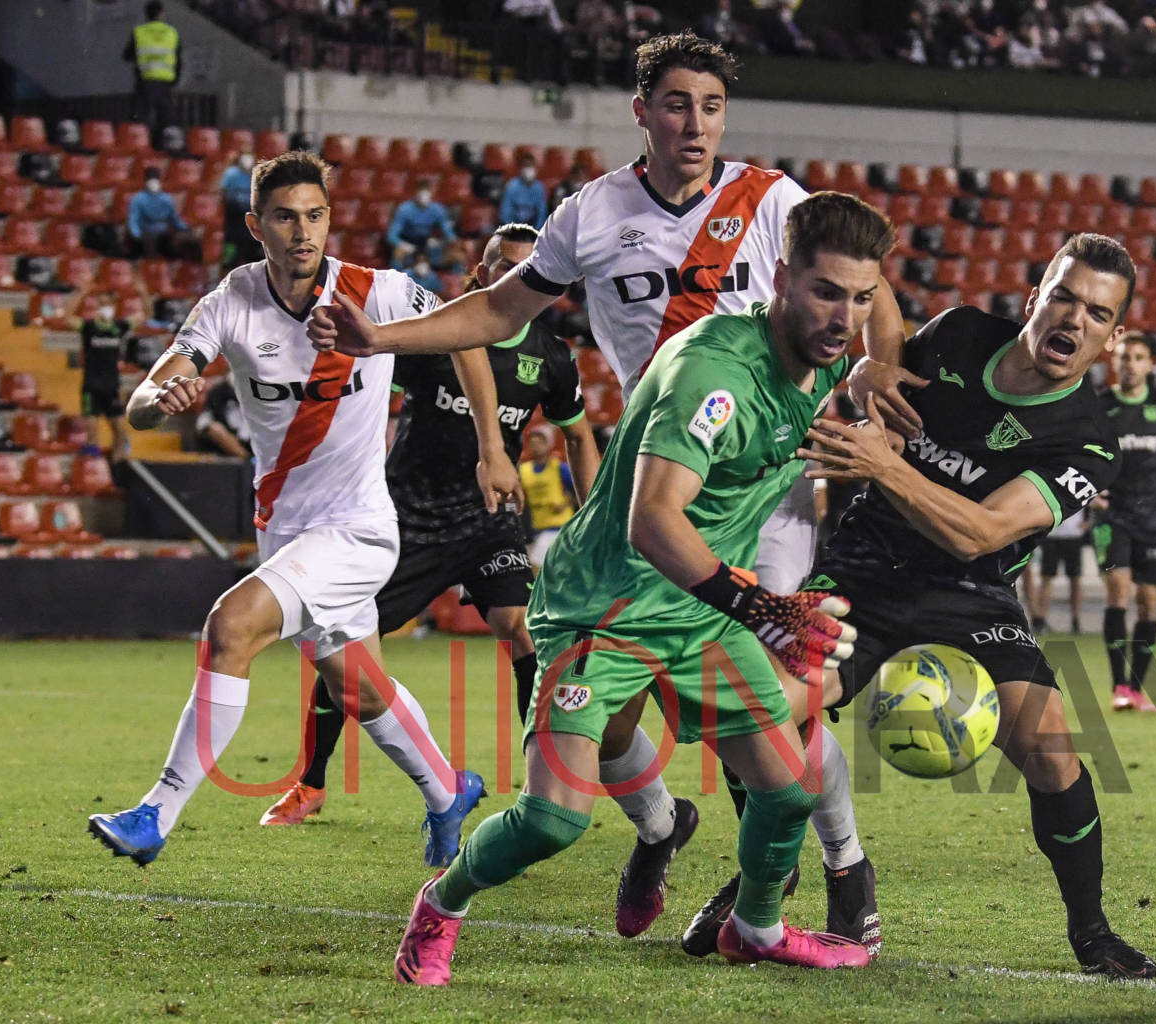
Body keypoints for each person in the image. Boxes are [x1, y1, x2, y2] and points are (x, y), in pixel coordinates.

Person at [308, 32, 912, 949]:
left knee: (793, 688)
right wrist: (380, 342)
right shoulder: (591, 216)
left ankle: (838, 866)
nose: (696, 125)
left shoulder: (775, 200)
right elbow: (501, 311)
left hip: (765, 486)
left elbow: (864, 307)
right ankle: (665, 827)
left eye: (712, 107)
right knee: (627, 723)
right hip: (657, 487)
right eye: (676, 105)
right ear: (642, 112)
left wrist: (873, 386)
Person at [388, 192, 889, 985]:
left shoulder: (819, 358)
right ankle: (441, 906)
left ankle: (754, 930)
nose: (844, 317)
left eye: (861, 298)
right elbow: (653, 520)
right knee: (553, 820)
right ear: (782, 277)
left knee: (787, 789)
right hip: (605, 608)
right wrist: (763, 608)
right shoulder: (714, 372)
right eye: (828, 292)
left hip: (700, 612)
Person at [86, 151, 487, 869]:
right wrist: (162, 400)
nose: (302, 232)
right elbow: (144, 401)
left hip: (360, 529)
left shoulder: (378, 291)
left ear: (330, 220)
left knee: (229, 627)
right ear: (255, 225)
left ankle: (156, 812)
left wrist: (493, 445)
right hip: (288, 534)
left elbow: (469, 332)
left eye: (315, 215)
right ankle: (447, 790)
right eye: (284, 217)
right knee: (359, 690)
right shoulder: (229, 303)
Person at [791, 232, 1156, 980]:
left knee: (1052, 749)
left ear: (1113, 335)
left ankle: (1091, 932)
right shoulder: (959, 333)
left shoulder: (1089, 441)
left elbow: (981, 532)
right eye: (1064, 297)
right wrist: (867, 373)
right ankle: (806, 876)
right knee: (771, 703)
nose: (1074, 320)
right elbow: (882, 345)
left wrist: (883, 466)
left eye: (1097, 312)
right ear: (1035, 298)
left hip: (970, 587)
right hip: (864, 562)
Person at [261, 222, 599, 828]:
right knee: (344, 654)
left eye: (527, 270)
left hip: (488, 516)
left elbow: (578, 433)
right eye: (502, 266)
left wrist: (594, 513)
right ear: (481, 273)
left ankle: (541, 783)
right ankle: (309, 783)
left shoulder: (551, 357)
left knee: (522, 628)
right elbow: (359, 386)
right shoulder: (438, 337)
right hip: (408, 520)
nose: (513, 278)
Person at [1094, 332, 1156, 713]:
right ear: (1113, 363)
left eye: (1137, 357)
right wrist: (1088, 490)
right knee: (1118, 591)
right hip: (1111, 513)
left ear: (1151, 364)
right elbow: (1076, 452)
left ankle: (1136, 688)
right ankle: (1119, 686)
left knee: (1149, 603)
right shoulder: (1100, 407)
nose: (1129, 364)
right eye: (1123, 357)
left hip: (1151, 515)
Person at [78, 305, 133, 462]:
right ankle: (92, 462)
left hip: (112, 385)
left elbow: (147, 315)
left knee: (121, 430)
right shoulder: (88, 327)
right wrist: (81, 293)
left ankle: (117, 464)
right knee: (92, 429)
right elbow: (68, 318)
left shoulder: (119, 327)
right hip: (91, 384)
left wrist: (142, 292)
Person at [519, 426, 578, 569]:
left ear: (548, 445)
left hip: (559, 527)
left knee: (536, 566)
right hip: (537, 527)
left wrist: (565, 504)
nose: (536, 446)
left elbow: (579, 490)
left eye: (539, 442)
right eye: (532, 443)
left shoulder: (560, 468)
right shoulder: (523, 471)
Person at [124, 0, 180, 135]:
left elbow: (127, 55)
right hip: (165, 85)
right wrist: (175, 80)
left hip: (145, 82)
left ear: (146, 15)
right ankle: (162, 149)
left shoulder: (138, 32)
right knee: (167, 121)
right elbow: (179, 60)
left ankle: (142, 149)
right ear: (162, 14)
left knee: (141, 121)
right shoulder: (172, 33)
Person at [1027, 509, 1088, 634]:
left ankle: (1075, 620)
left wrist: (1086, 524)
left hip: (1073, 534)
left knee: (1075, 578)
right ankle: (1041, 619)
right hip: (1052, 534)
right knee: (1047, 577)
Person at [127, 166, 196, 260]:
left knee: (185, 240)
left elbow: (174, 218)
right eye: (151, 179)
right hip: (147, 234)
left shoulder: (167, 198)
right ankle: (149, 264)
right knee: (150, 240)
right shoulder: (138, 199)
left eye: (155, 179)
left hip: (164, 234)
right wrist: (137, 235)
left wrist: (185, 227)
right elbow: (133, 220)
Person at [387, 181, 457, 269]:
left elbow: (449, 234)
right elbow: (391, 236)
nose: (424, 198)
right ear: (416, 195)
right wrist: (403, 245)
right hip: (408, 243)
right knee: (398, 253)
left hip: (427, 243)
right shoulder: (404, 209)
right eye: (421, 195)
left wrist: (440, 242)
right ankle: (396, 279)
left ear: (431, 194)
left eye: (427, 195)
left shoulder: (438, 209)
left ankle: (453, 280)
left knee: (456, 256)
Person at [219, 151, 262, 268]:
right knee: (230, 255)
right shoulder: (231, 174)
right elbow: (223, 193)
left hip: (252, 220)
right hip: (234, 220)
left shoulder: (257, 175)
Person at [195, 376, 250, 458]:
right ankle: (248, 460)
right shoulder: (219, 392)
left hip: (256, 444)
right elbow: (203, 423)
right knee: (215, 429)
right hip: (226, 450)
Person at [499, 154, 550, 228]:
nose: (529, 169)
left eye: (531, 166)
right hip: (513, 227)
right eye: (526, 166)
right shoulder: (511, 186)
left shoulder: (539, 188)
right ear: (520, 169)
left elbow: (542, 213)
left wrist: (537, 232)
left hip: (532, 227)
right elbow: (505, 213)